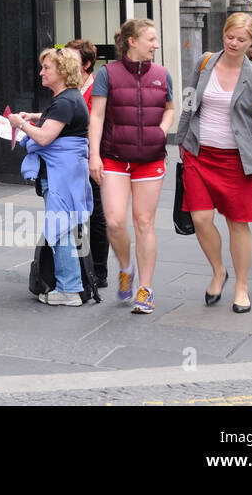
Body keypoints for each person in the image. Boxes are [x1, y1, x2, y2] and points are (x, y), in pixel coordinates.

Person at [176, 12, 252, 313]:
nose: (234, 43)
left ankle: (241, 285)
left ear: (251, 41)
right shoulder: (205, 63)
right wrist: (182, 137)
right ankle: (218, 271)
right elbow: (190, 99)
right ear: (223, 34)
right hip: (199, 154)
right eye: (230, 37)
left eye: (241, 40)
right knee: (200, 218)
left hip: (238, 161)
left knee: (237, 224)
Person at [88, 18, 175, 314]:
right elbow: (97, 116)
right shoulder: (107, 73)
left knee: (143, 222)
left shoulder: (163, 74)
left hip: (150, 159)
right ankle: (126, 267)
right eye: (151, 39)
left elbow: (170, 108)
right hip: (114, 157)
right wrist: (94, 155)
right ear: (132, 42)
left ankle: (145, 289)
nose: (156, 45)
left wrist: (161, 130)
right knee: (113, 221)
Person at [9, 49, 93, 306]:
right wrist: (34, 117)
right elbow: (56, 123)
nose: (42, 72)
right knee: (65, 227)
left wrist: (20, 123)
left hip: (60, 175)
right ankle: (70, 284)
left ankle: (69, 288)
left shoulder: (65, 101)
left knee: (62, 230)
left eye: (47, 67)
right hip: (67, 173)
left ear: (63, 71)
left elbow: (45, 137)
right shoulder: (68, 98)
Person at [65, 38, 108, 287]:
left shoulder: (97, 89)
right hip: (71, 161)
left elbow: (93, 123)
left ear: (86, 64)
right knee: (74, 215)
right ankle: (80, 266)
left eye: (72, 58)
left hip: (94, 158)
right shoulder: (68, 87)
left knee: (97, 215)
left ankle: (99, 271)